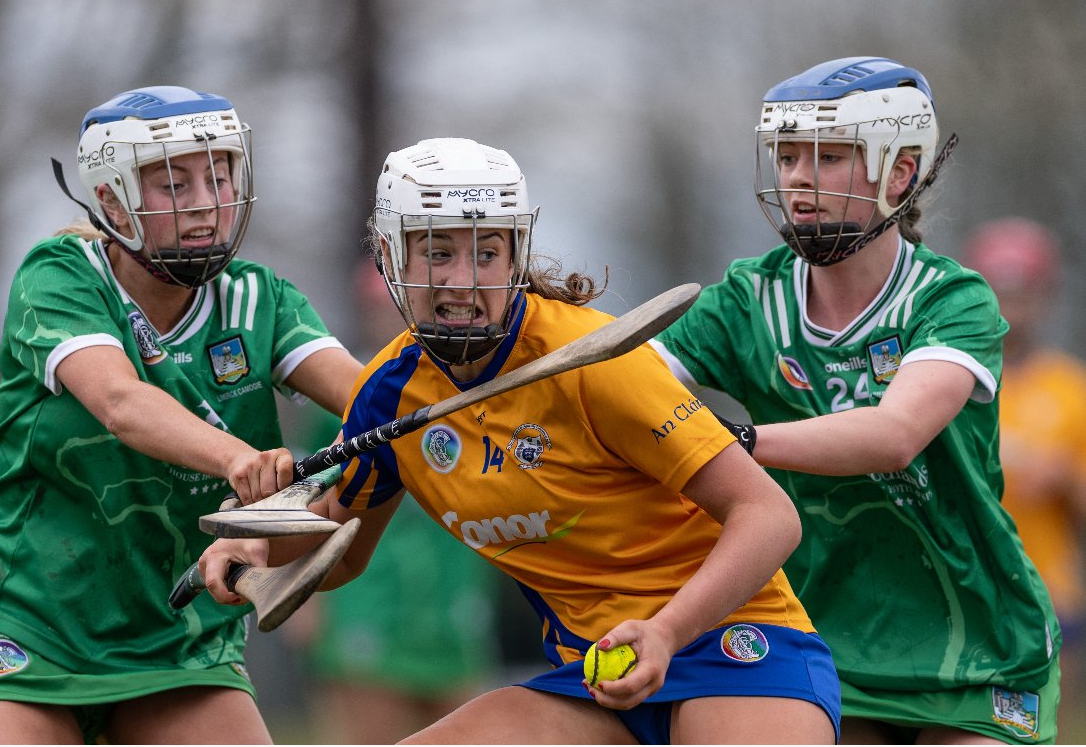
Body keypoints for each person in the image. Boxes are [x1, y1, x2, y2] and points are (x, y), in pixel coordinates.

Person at [201, 137, 842, 744]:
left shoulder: (593, 360)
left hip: (733, 643)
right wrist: (256, 546)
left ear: (515, 256)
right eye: (438, 253)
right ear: (393, 259)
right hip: (594, 676)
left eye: (486, 254)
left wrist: (667, 631)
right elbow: (339, 553)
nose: (464, 281)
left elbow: (768, 515)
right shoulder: (388, 395)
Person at [0, 86, 363, 744]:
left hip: (179, 636)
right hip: (28, 623)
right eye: (174, 183)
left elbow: (370, 398)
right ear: (111, 199)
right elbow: (120, 402)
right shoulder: (59, 276)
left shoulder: (262, 299)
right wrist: (239, 459)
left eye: (218, 176)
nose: (206, 201)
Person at [652, 57, 1061, 744]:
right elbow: (629, 388)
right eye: (787, 157)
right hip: (821, 639)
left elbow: (895, 434)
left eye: (828, 156)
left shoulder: (951, 299)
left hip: (978, 645)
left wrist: (733, 442)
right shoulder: (748, 299)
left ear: (898, 173)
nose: (796, 177)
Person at [285, 260, 504, 744]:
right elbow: (301, 502)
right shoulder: (346, 397)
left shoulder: (470, 392)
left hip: (453, 608)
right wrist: (302, 602)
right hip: (367, 608)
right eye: (376, 308)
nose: (386, 320)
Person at [964, 218, 1086, 715]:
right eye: (1000, 290)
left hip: (1052, 593)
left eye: (1023, 290)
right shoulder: (950, 384)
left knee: (1052, 726)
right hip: (969, 594)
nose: (1011, 305)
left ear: (1045, 294)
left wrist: (1066, 476)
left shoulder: (1071, 388)